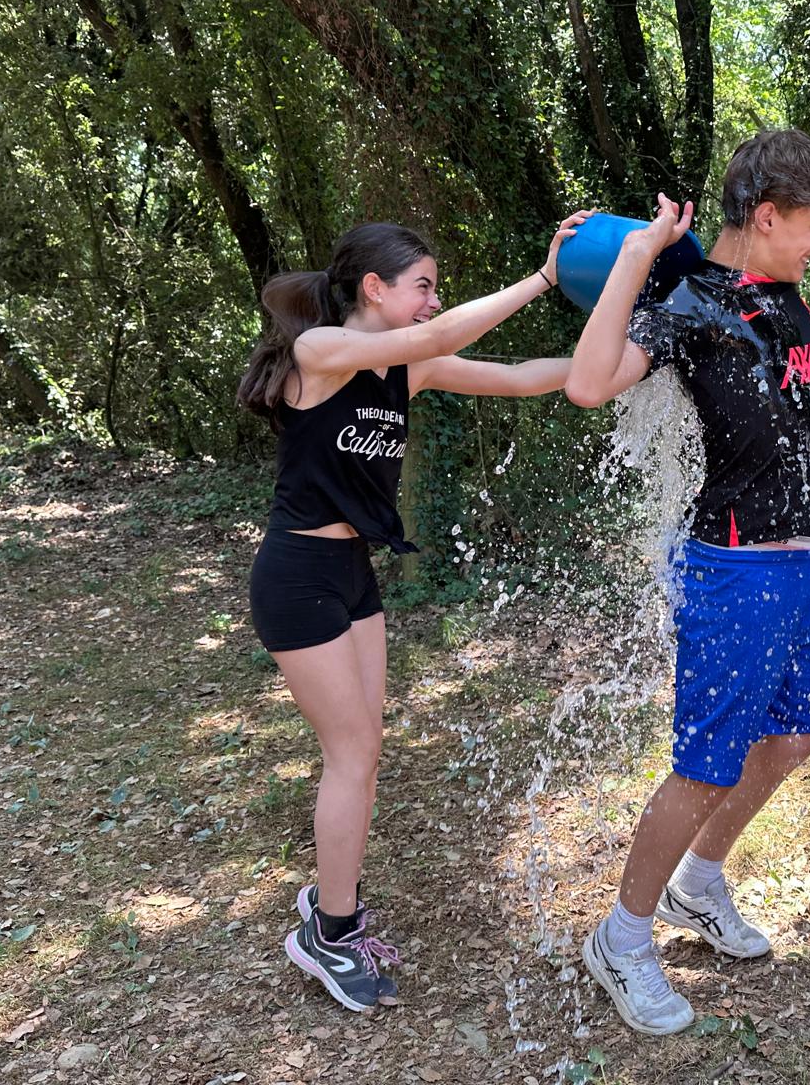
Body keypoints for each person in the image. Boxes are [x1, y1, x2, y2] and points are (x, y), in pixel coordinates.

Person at [238, 214, 588, 1011]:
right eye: (423, 285)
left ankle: (331, 905)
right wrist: (543, 278)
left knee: (365, 754)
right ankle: (329, 936)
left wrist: (626, 362)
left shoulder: (408, 368)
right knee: (351, 754)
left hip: (353, 573)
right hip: (296, 575)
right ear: (374, 288)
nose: (434, 300)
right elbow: (436, 336)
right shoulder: (319, 352)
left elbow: (520, 376)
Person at [565, 129, 810, 1035]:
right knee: (704, 767)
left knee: (801, 729)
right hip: (734, 567)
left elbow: (735, 283)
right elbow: (589, 383)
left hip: (795, 561)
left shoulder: (775, 292)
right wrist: (637, 254)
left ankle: (698, 883)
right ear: (766, 217)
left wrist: (674, 249)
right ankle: (620, 938)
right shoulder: (688, 306)